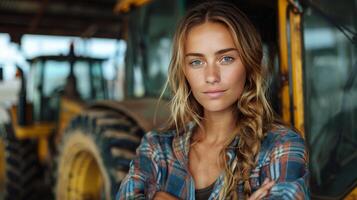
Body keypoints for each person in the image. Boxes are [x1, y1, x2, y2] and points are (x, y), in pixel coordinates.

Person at [116, 1, 309, 199]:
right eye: (196, 62)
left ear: (249, 64)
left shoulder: (281, 145)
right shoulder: (157, 149)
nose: (211, 76)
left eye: (226, 59)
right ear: (184, 72)